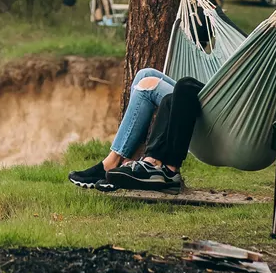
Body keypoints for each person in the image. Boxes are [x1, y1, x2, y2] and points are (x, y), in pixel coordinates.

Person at [67, 70, 205, 192]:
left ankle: (113, 164)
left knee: (151, 86)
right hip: (209, 93)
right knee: (144, 75)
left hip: (214, 109)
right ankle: (128, 163)